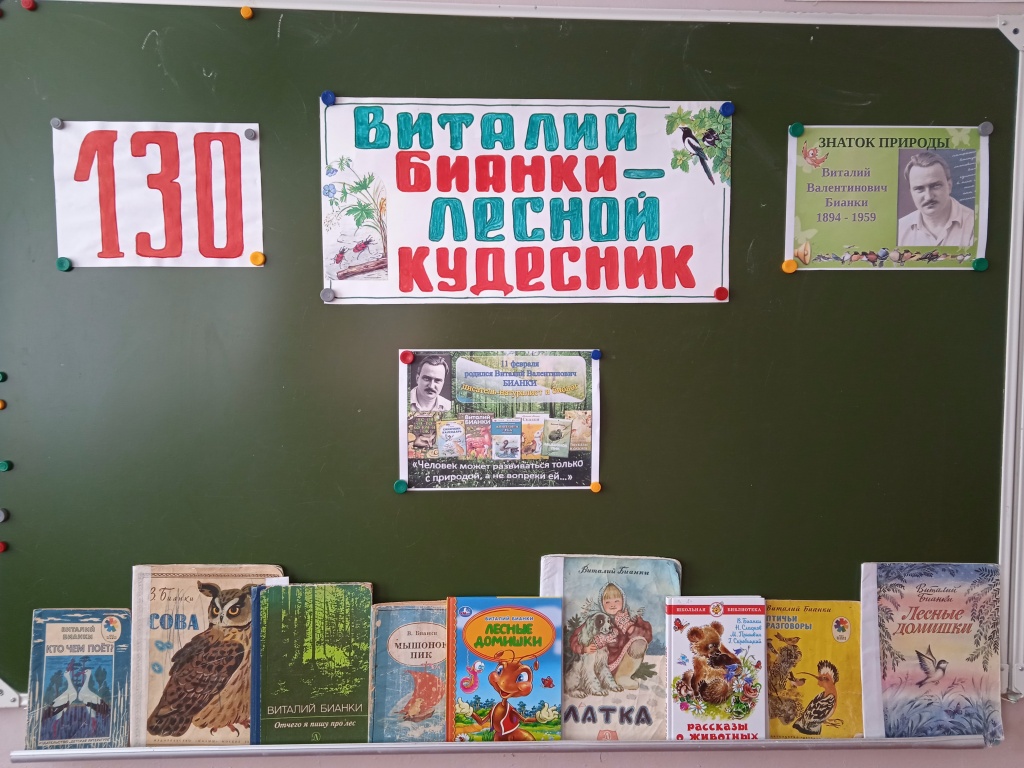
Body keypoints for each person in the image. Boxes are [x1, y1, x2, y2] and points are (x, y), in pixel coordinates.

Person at [569, 582, 652, 690]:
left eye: (617, 601)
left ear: (623, 601)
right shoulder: (596, 619)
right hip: (601, 664)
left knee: (640, 642)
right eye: (607, 602)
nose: (612, 605)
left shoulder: (631, 617)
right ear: (601, 603)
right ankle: (597, 682)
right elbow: (575, 638)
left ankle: (623, 677)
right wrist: (583, 649)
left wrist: (630, 628)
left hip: (623, 663)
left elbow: (647, 636)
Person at [897, 152, 975, 248]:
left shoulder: (975, 224)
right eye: (919, 189)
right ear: (911, 192)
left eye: (935, 186)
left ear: (949, 186)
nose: (928, 197)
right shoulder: (899, 229)